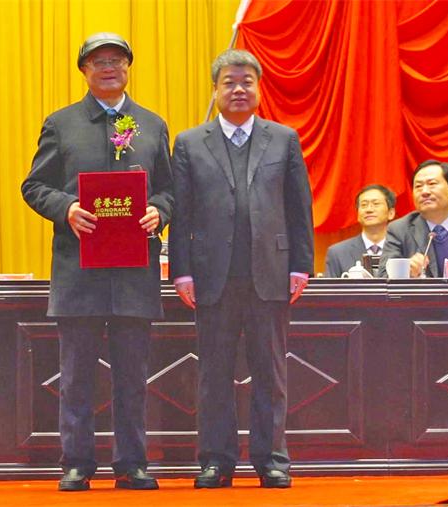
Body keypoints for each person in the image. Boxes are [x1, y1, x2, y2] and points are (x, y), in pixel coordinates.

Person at [21, 33, 173, 491]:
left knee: (133, 376)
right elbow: (34, 186)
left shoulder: (152, 124)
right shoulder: (61, 123)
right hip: (79, 269)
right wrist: (66, 207)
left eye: (117, 60)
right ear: (84, 71)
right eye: (99, 61)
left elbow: (170, 189)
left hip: (134, 271)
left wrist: (159, 210)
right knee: (76, 376)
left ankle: (132, 463)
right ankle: (76, 463)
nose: (109, 67)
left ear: (128, 67)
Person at [169, 49, 314, 489]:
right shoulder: (190, 143)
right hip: (211, 277)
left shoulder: (283, 139)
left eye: (246, 82)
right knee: (213, 373)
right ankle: (216, 460)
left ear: (259, 89)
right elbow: (182, 212)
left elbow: (299, 207)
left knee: (270, 372)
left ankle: (272, 460)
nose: (238, 89)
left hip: (271, 273)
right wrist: (181, 271)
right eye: (229, 82)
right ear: (214, 90)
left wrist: (301, 265)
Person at [324, 184, 396, 277]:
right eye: (364, 205)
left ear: (391, 213)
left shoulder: (402, 249)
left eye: (376, 204)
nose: (369, 210)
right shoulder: (337, 253)